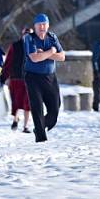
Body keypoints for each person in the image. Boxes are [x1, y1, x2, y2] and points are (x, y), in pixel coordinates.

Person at [23, 13, 65, 143]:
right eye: (39, 24)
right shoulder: (29, 38)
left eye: (44, 24)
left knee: (55, 108)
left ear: (48, 25)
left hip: (50, 77)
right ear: (34, 26)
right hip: (33, 77)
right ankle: (41, 138)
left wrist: (46, 54)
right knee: (37, 108)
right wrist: (52, 52)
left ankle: (40, 127)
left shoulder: (52, 37)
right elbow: (35, 58)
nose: (42, 27)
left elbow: (62, 57)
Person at [1, 27, 32, 133]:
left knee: (27, 103)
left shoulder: (35, 47)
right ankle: (15, 119)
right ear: (22, 35)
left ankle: (25, 126)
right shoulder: (15, 46)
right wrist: (4, 76)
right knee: (16, 102)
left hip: (29, 79)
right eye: (26, 34)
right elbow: (8, 62)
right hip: (15, 78)